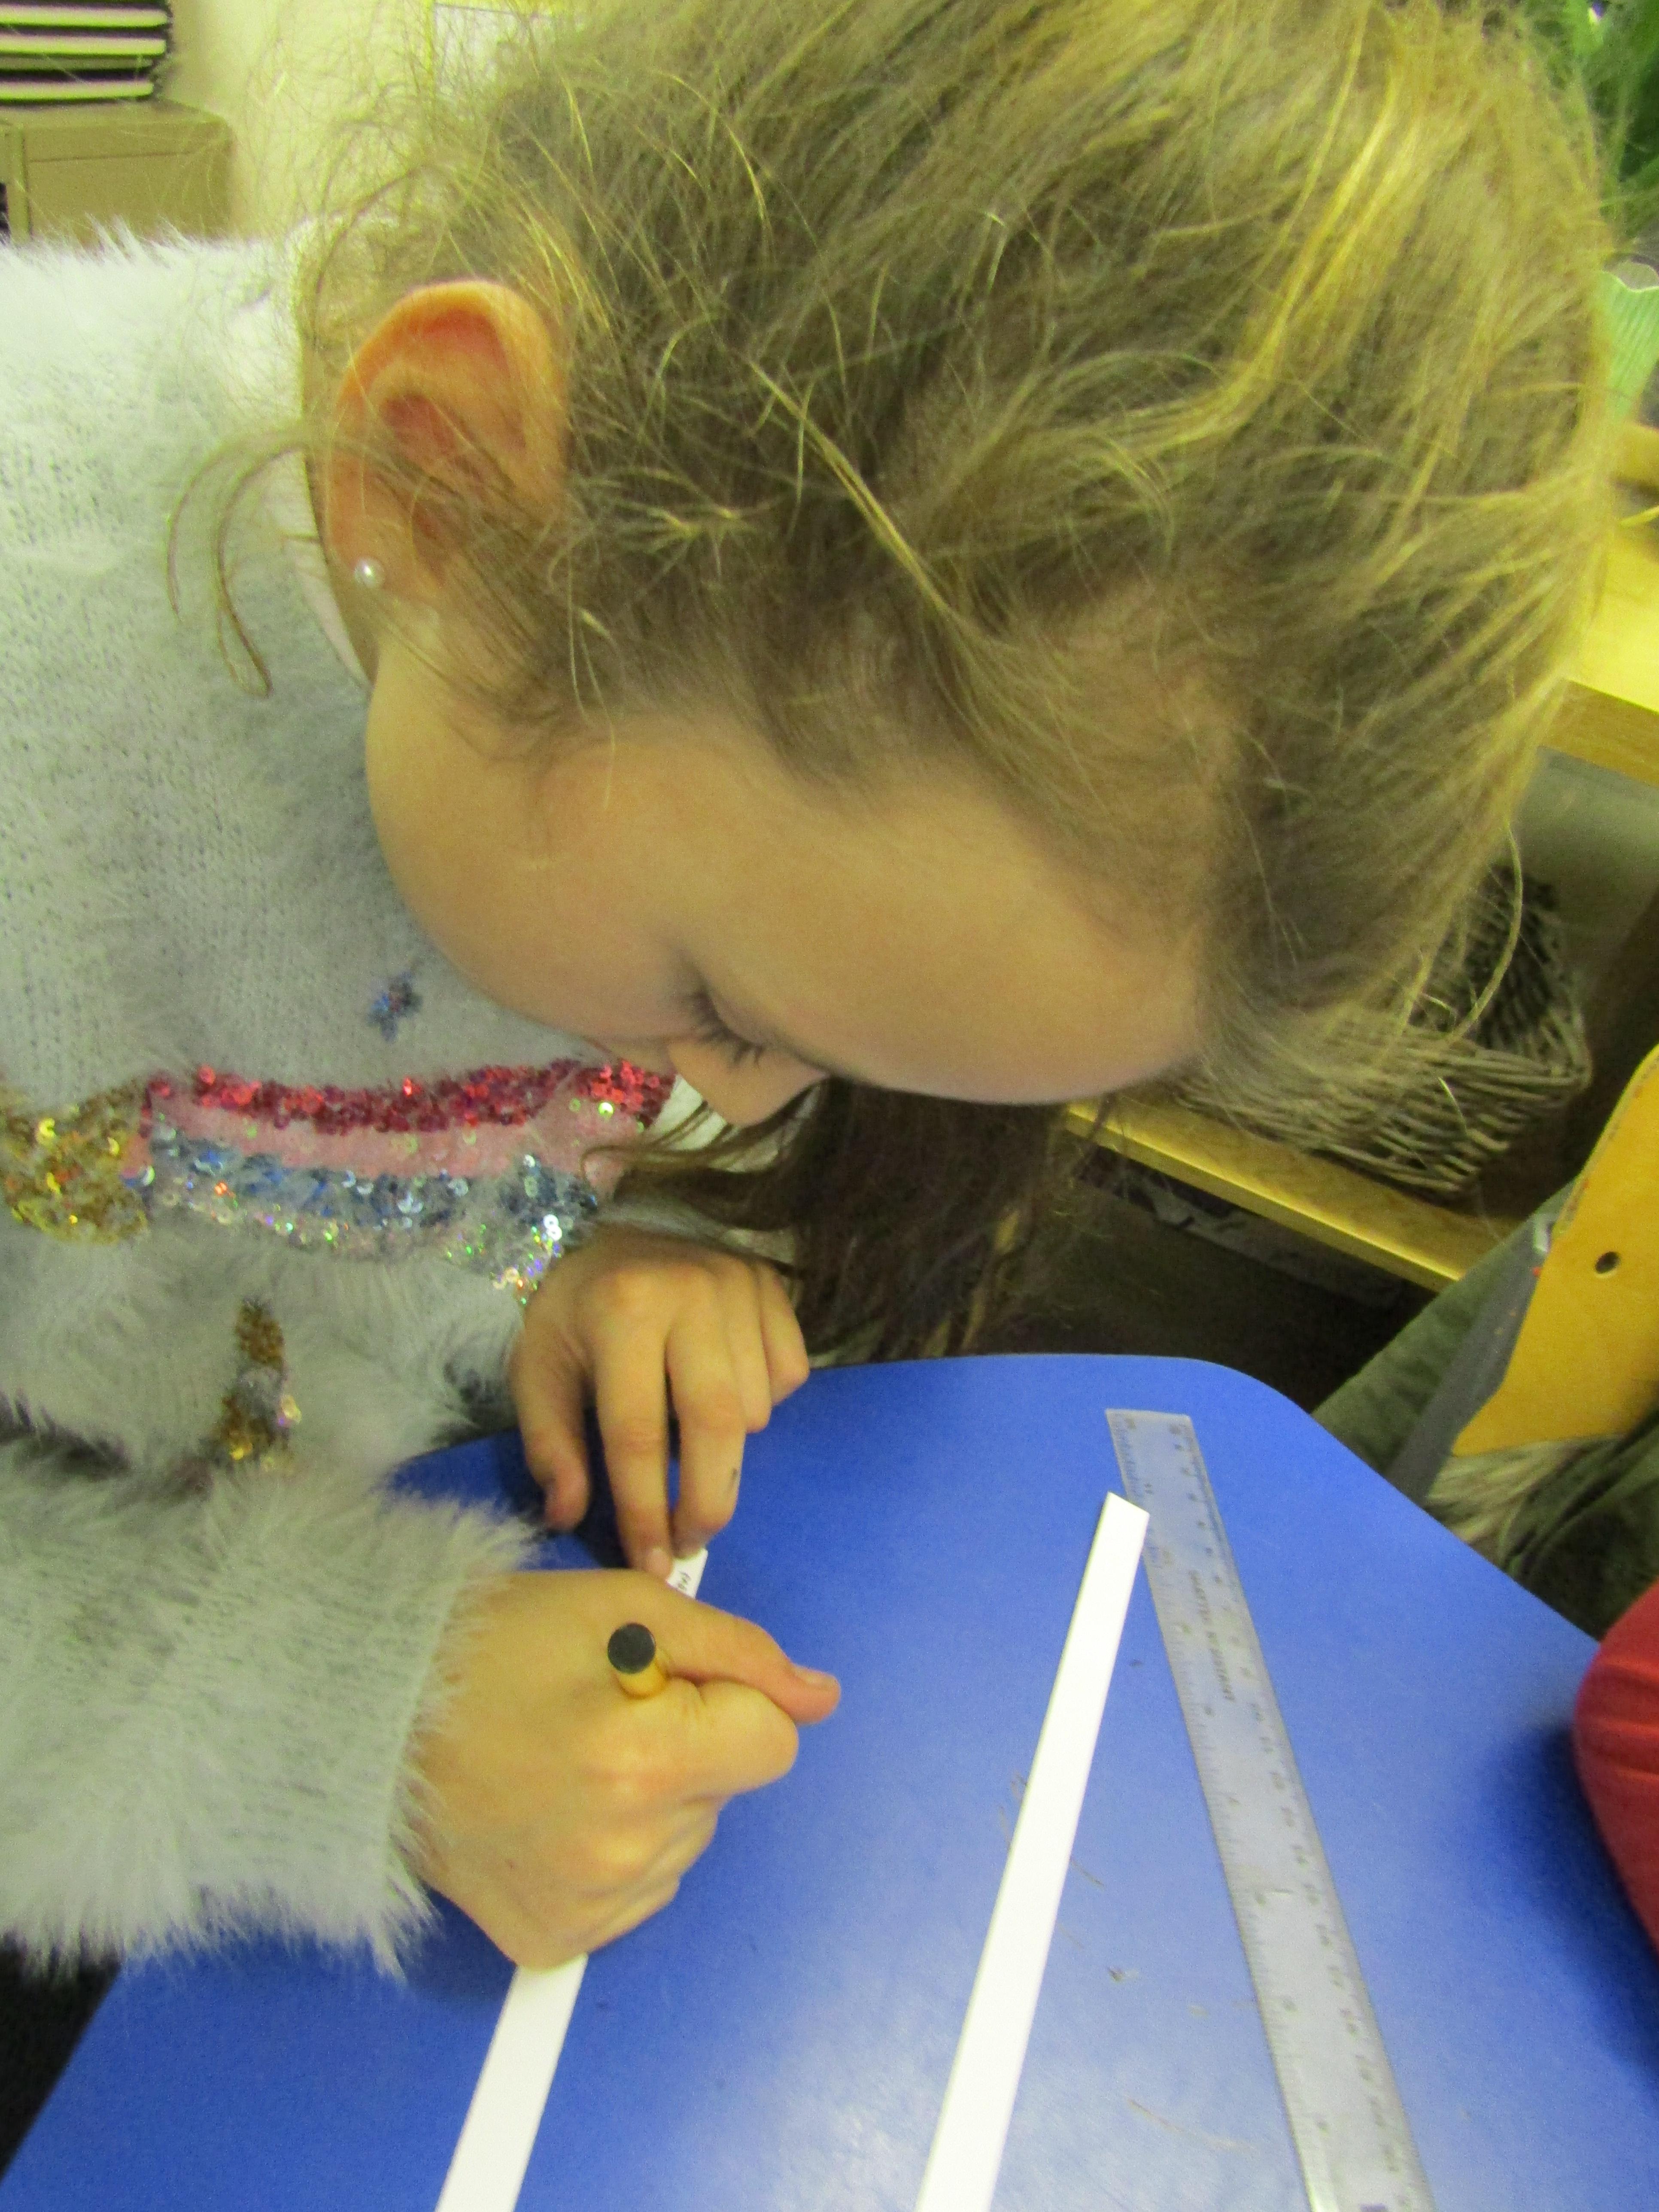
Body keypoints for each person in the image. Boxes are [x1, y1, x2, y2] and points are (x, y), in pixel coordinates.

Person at [0, 0, 1616, 1995]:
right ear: (443, 477)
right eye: (724, 1001)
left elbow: (300, 1140)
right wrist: (352, 1721)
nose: (732, 1112)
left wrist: (556, 1255)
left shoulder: (562, 698)